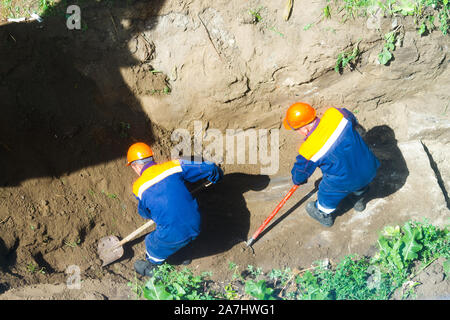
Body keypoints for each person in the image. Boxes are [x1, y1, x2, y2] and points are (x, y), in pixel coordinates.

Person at [126, 142, 223, 276]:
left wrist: (155, 215)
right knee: (182, 230)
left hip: (173, 233)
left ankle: (153, 267)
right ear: (152, 158)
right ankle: (183, 255)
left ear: (135, 166)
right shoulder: (174, 166)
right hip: (196, 225)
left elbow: (144, 213)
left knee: (151, 242)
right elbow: (209, 167)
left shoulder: (138, 188)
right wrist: (216, 176)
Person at [283, 102, 380, 227]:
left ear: (304, 129)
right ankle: (359, 198)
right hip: (370, 168)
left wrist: (297, 179)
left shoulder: (308, 150)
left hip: (346, 182)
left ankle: (323, 213)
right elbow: (353, 120)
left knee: (327, 191)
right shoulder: (337, 114)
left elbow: (299, 177)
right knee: (359, 176)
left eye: (296, 130)